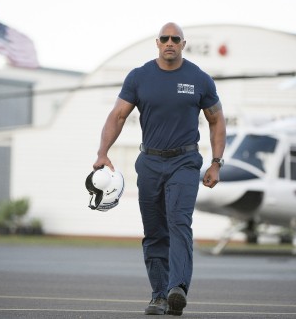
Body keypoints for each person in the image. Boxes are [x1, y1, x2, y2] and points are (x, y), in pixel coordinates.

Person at [93, 22, 226, 316]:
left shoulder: (199, 79)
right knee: (154, 231)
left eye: (175, 39)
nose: (170, 43)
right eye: (164, 38)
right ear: (157, 43)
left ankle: (176, 288)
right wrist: (103, 153)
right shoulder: (139, 77)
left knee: (179, 222)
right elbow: (117, 115)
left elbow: (217, 120)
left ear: (182, 43)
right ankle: (159, 295)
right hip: (150, 163)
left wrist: (216, 163)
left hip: (185, 162)